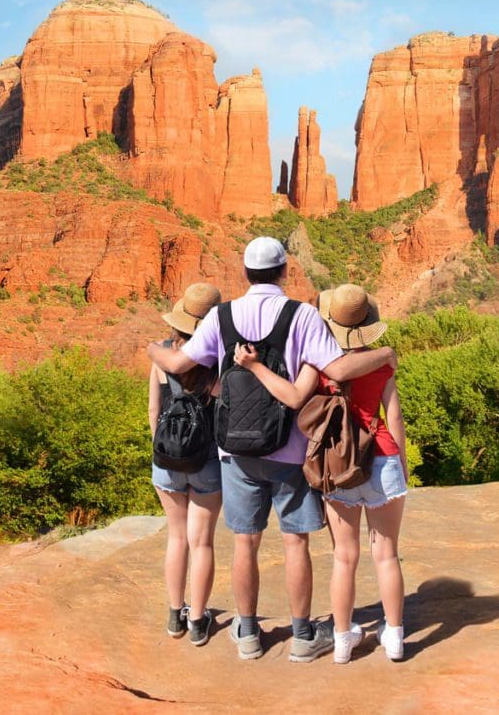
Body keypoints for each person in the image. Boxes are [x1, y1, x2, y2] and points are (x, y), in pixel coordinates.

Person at [148, 238, 397, 663]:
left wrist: (153, 348)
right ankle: (302, 636)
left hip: (235, 453)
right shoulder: (302, 315)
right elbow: (336, 370)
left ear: (245, 273)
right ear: (284, 271)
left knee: (245, 543)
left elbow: (175, 365)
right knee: (295, 543)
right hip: (291, 450)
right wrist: (386, 354)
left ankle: (247, 634)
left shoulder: (221, 316)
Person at [234, 283, 407, 664]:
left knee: (344, 557)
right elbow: (392, 418)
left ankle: (343, 642)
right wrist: (402, 467)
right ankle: (394, 638)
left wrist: (253, 366)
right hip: (382, 458)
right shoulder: (382, 362)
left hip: (336, 465)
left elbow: (294, 398)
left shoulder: (317, 363)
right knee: (387, 555)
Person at [149, 282, 223, 647]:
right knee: (202, 542)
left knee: (176, 538)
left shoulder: (162, 354)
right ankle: (197, 620)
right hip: (207, 460)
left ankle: (174, 615)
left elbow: (153, 410)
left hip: (166, 459)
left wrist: (164, 450)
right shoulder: (216, 359)